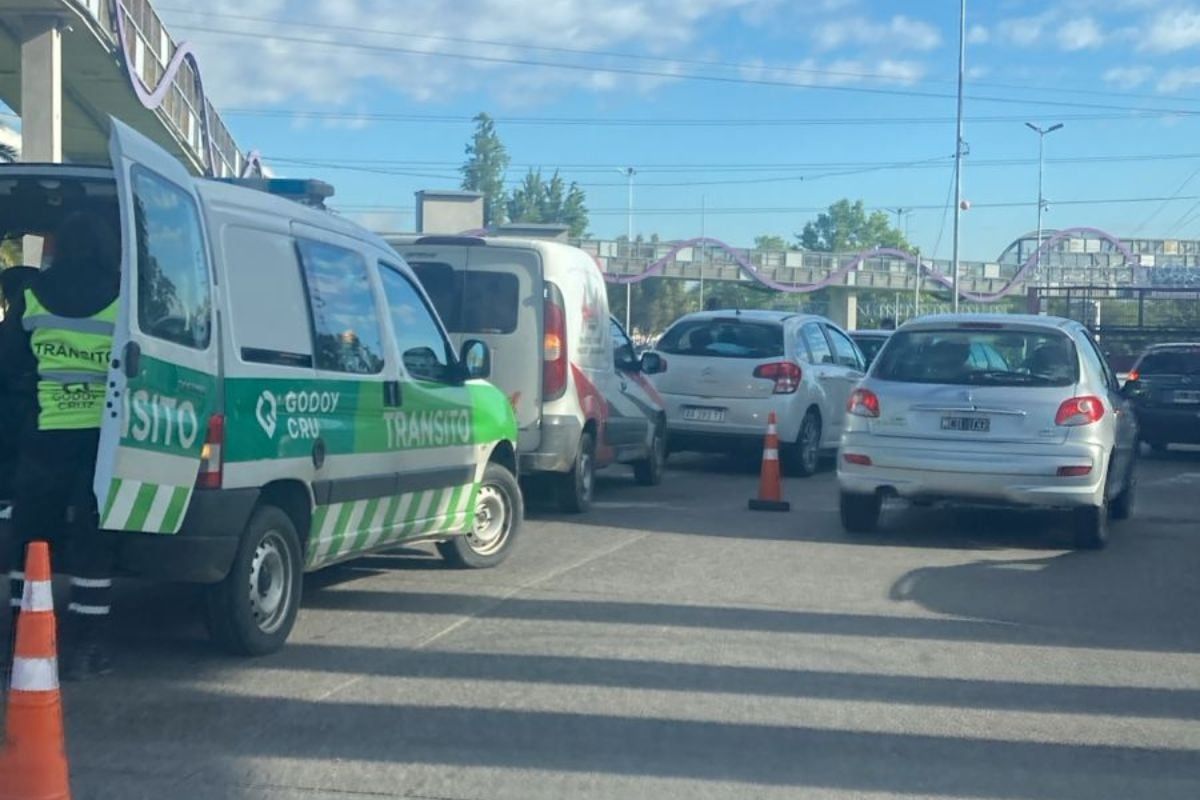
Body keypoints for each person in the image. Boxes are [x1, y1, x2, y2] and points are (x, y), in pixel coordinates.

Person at [0, 212, 121, 681]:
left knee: (33, 538)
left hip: (45, 433)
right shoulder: (121, 296)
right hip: (101, 439)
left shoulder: (32, 293)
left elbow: (9, 363)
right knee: (93, 540)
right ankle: (88, 649)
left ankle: (23, 643)